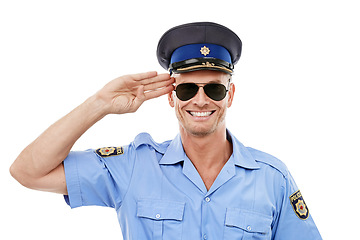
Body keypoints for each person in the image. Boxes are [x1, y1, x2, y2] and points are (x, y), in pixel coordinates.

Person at [10, 22, 322, 239]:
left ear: (231, 95)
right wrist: (99, 103)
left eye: (214, 89)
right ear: (171, 96)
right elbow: (27, 172)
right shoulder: (133, 166)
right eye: (187, 89)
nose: (200, 100)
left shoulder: (272, 179)